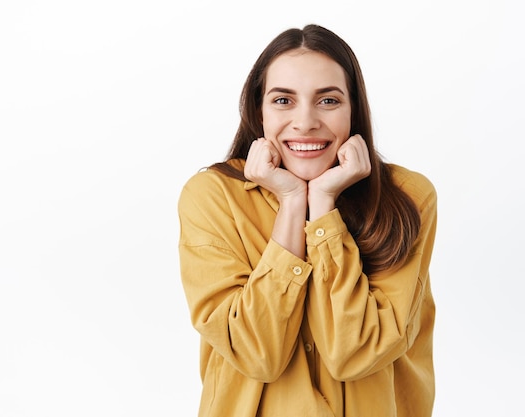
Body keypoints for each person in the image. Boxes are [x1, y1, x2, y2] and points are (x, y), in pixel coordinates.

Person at [177, 24, 437, 417]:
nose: (305, 121)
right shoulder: (213, 197)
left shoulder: (410, 197)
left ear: (354, 108)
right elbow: (256, 354)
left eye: (328, 101)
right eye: (283, 100)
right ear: (258, 111)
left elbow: (357, 353)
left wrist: (324, 206)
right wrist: (293, 200)